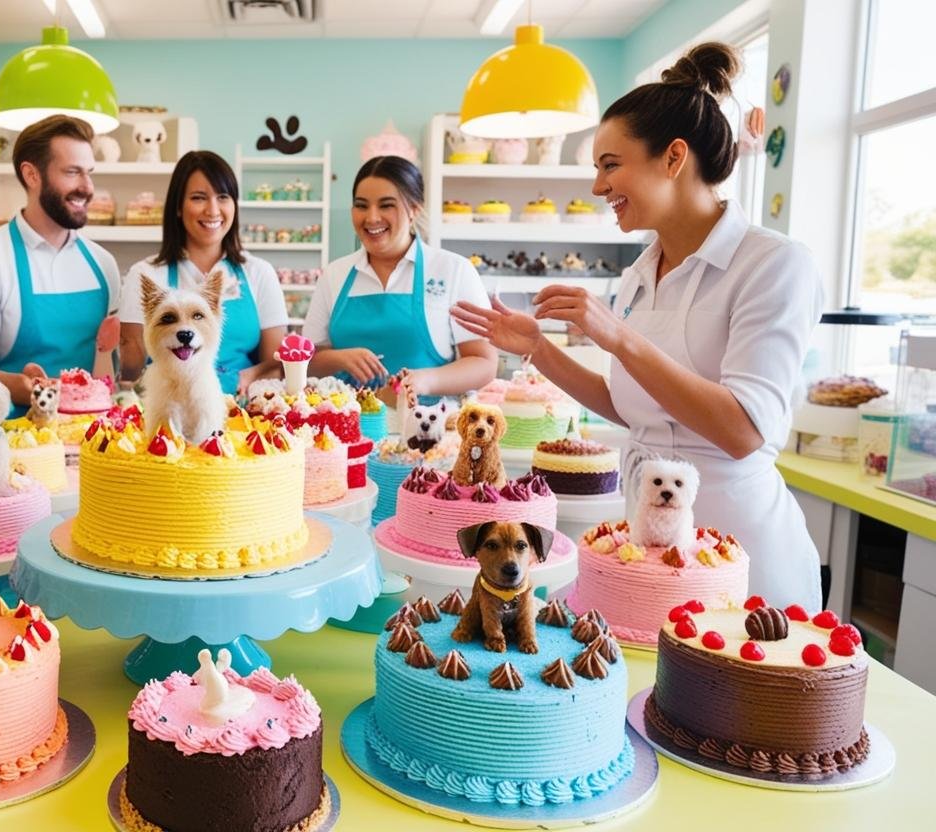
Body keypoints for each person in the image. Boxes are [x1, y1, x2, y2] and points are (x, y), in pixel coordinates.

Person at [451, 43, 822, 609]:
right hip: (642, 554)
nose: (598, 188)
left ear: (673, 158)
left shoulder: (773, 264)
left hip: (738, 556)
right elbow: (633, 406)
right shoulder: (639, 275)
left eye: (610, 165)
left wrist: (620, 338)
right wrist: (538, 350)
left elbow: (744, 429)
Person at [0, 115, 120, 411]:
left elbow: (111, 362)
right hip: (14, 444)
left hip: (93, 443)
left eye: (89, 172)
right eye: (73, 172)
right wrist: (31, 390)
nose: (87, 187)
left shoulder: (103, 264)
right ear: (32, 175)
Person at [305, 155, 497, 404]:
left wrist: (426, 380)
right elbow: (306, 360)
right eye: (361, 205)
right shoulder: (334, 275)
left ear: (415, 209)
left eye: (386, 205)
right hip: (343, 431)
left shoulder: (454, 270)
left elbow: (483, 362)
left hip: (428, 428)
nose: (372, 218)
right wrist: (340, 359)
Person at [117, 150, 288, 394]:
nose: (213, 210)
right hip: (168, 409)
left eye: (223, 197)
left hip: (244, 413)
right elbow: (131, 371)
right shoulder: (146, 275)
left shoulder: (259, 273)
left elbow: (278, 365)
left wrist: (249, 376)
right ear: (178, 207)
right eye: (198, 198)